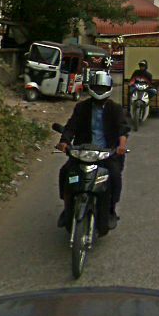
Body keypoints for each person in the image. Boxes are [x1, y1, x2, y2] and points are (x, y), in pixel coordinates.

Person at [56, 70, 129, 229]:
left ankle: (111, 209)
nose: (99, 91)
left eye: (102, 88)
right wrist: (64, 142)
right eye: (97, 87)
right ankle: (67, 207)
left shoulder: (115, 109)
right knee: (66, 173)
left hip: (106, 154)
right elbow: (71, 127)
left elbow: (123, 129)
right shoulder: (81, 107)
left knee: (114, 176)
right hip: (83, 152)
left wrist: (121, 146)